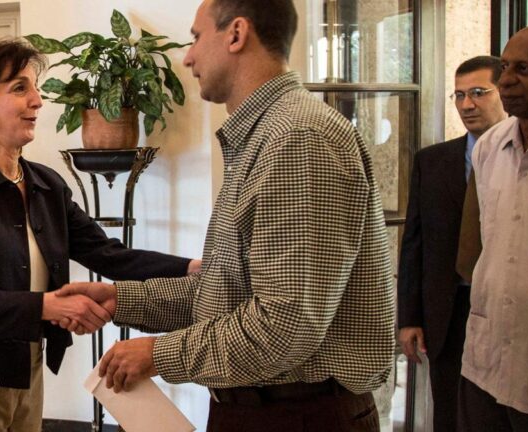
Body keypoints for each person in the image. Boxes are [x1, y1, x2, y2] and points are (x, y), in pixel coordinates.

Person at [59, 0, 395, 430]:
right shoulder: (266, 136)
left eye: (197, 37)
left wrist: (158, 355)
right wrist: (124, 299)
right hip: (266, 408)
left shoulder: (297, 139)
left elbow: (283, 324)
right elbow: (226, 295)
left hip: (297, 414)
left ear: (236, 34)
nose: (189, 56)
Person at [0, 39, 199, 432]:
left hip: (26, 366)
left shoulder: (46, 184)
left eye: (34, 88)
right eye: (19, 88)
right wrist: (46, 307)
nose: (37, 101)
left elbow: (109, 254)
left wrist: (191, 268)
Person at [458, 24, 528, 431]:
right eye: (505, 66)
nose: (505, 80)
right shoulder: (490, 147)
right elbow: (479, 250)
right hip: (485, 365)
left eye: (523, 69)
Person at [397, 56, 505, 432]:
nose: (466, 104)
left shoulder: (525, 158)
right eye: (458, 95)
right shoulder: (433, 160)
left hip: (506, 309)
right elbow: (415, 243)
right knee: (449, 413)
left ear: (503, 92)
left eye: (478, 92)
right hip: (449, 309)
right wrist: (409, 317)